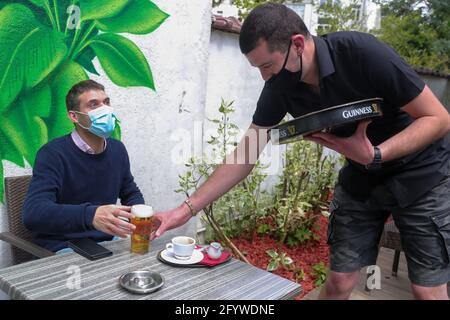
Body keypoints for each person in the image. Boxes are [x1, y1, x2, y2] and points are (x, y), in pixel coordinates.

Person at [152, 3, 450, 299]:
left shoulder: (362, 53)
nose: (264, 78)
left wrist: (377, 154)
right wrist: (184, 210)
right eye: (257, 69)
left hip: (422, 174)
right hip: (362, 175)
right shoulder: (281, 86)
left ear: (297, 44)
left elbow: (438, 118)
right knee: (339, 281)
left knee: (426, 290)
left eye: (267, 66)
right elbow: (245, 155)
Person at [23, 80, 143, 252]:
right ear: (74, 116)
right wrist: (91, 215)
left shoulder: (117, 149)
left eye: (106, 102)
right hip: (65, 246)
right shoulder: (52, 154)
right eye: (93, 105)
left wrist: (141, 216)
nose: (105, 110)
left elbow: (130, 192)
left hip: (109, 240)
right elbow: (33, 214)